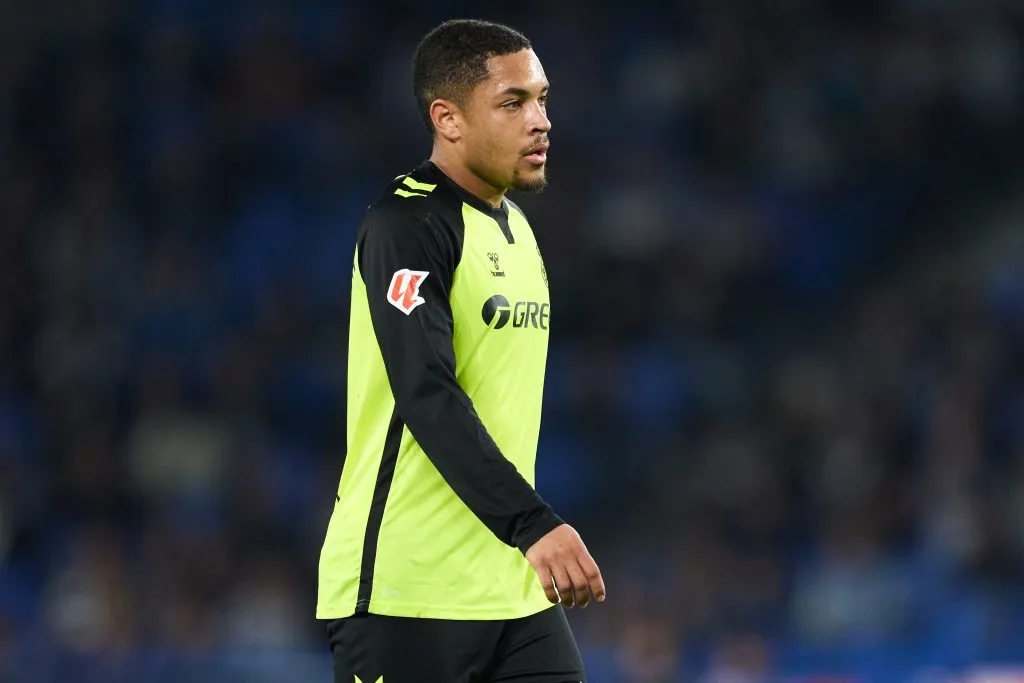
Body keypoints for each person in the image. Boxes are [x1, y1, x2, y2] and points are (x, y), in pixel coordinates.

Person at [316, 17, 606, 683]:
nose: (541, 121)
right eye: (513, 103)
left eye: (542, 99)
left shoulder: (516, 231)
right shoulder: (406, 226)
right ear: (446, 118)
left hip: (508, 585)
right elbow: (426, 391)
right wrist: (533, 522)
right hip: (404, 588)